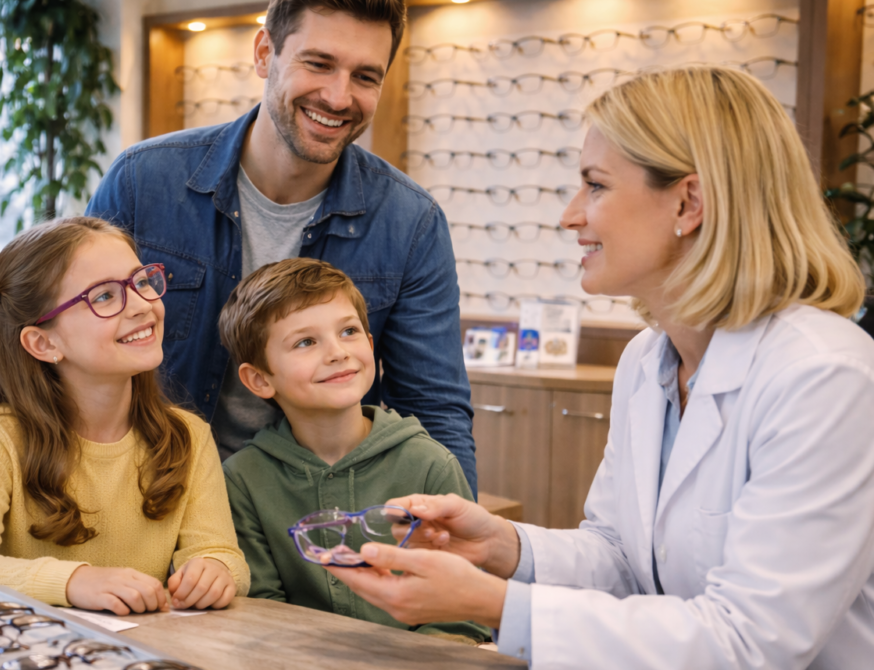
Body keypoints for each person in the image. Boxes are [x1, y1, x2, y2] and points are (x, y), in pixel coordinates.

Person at [327, 66, 874, 669]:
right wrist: (500, 547)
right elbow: (620, 556)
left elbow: (750, 641)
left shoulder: (826, 377)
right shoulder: (648, 360)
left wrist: (499, 606)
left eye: (595, 186)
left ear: (688, 202)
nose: (570, 216)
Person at [85, 0, 478, 496]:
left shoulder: (411, 221)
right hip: (151, 497)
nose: (339, 97)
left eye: (365, 76)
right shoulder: (143, 180)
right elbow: (76, 353)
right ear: (265, 53)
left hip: (317, 522)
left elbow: (435, 407)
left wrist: (456, 543)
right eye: (318, 64)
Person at [0, 217, 249, 613]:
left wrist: (214, 570)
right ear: (43, 342)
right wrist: (74, 581)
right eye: (105, 297)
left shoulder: (189, 436)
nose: (143, 304)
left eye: (141, 281)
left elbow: (222, 554)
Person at [218, 257, 491, 643]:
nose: (337, 352)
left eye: (348, 331)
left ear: (369, 343)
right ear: (259, 379)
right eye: (306, 342)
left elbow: (460, 618)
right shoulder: (242, 480)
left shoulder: (431, 464)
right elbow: (262, 613)